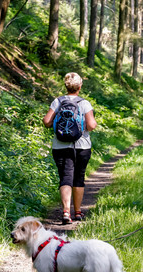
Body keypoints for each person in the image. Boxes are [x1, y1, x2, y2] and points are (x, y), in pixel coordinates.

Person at [43, 72, 97, 224]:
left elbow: (47, 121)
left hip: (60, 146)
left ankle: (66, 212)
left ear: (66, 86)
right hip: (82, 146)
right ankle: (78, 212)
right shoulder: (84, 103)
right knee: (78, 178)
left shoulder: (58, 101)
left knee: (65, 177)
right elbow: (92, 125)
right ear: (80, 87)